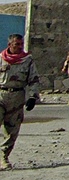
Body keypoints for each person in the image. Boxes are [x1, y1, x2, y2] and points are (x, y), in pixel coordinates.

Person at [0, 34, 40, 171]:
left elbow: (33, 79)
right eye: (16, 44)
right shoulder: (1, 59)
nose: (19, 47)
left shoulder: (27, 60)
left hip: (17, 97)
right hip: (1, 94)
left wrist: (33, 97)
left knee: (12, 130)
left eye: (21, 44)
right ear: (9, 44)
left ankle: (3, 158)